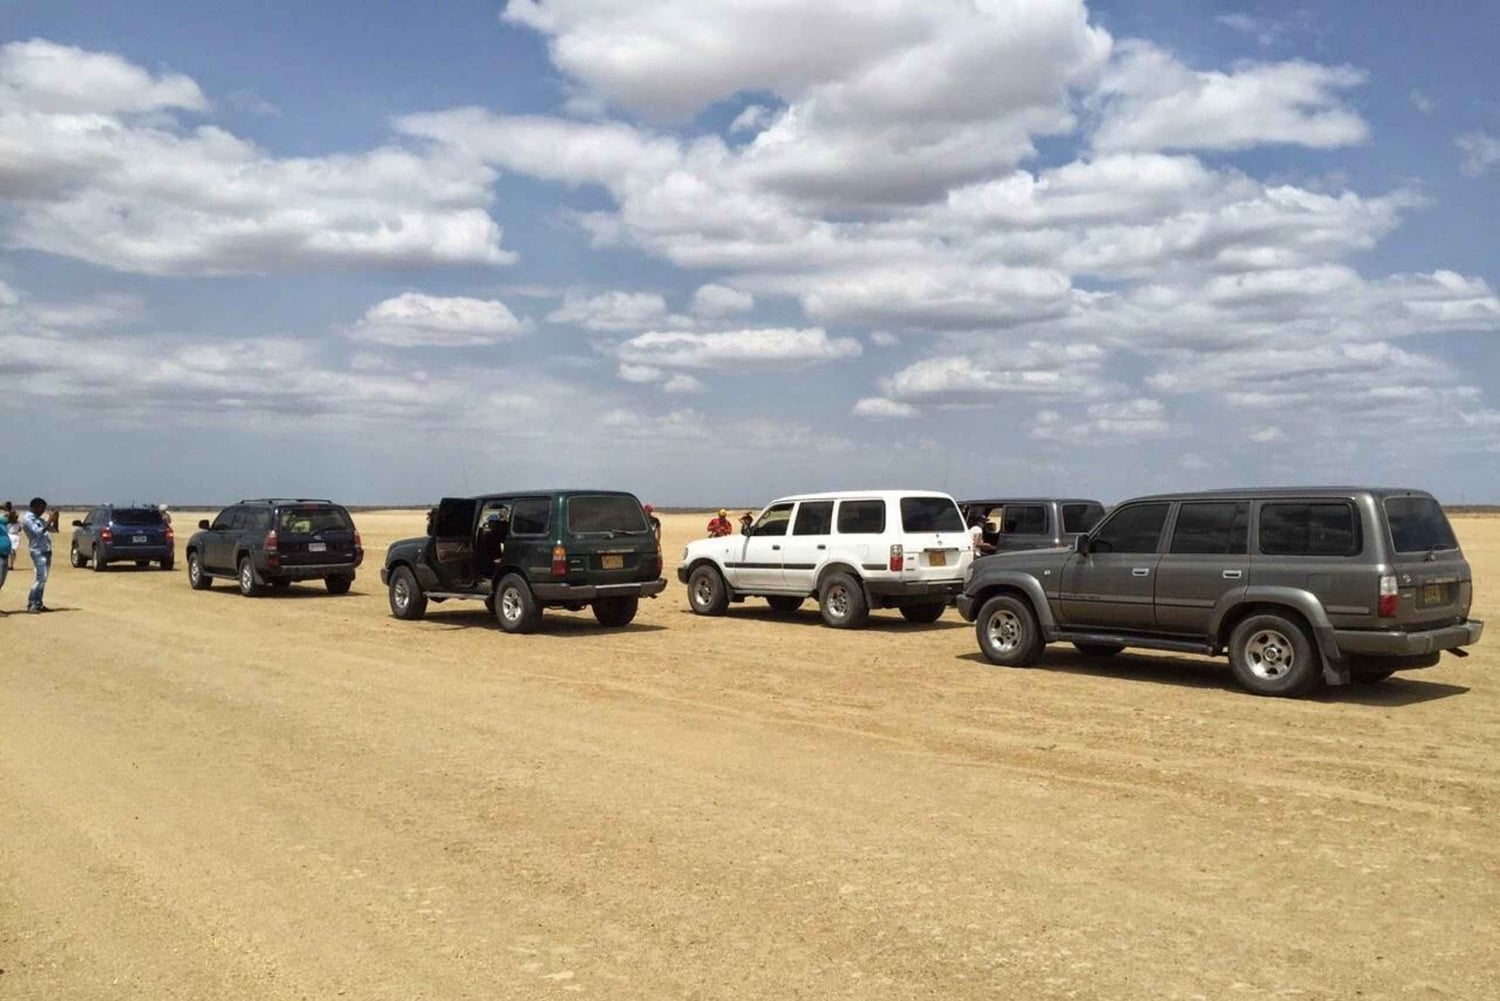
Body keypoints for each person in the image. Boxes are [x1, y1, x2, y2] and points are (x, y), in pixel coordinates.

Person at [20, 496, 54, 613]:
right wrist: (49, 520)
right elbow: (38, 531)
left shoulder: (38, 518)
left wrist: (55, 520)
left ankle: (39, 603)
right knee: (40, 578)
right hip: (37, 550)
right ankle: (32, 603)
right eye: (42, 508)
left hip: (46, 549)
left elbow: (53, 529)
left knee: (43, 579)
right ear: (35, 507)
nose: (43, 511)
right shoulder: (27, 519)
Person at [3, 503, 20, 571]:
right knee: (11, 551)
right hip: (13, 535)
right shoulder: (15, 521)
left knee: (10, 551)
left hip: (11, 535)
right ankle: (10, 565)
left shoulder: (8, 518)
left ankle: (10, 565)